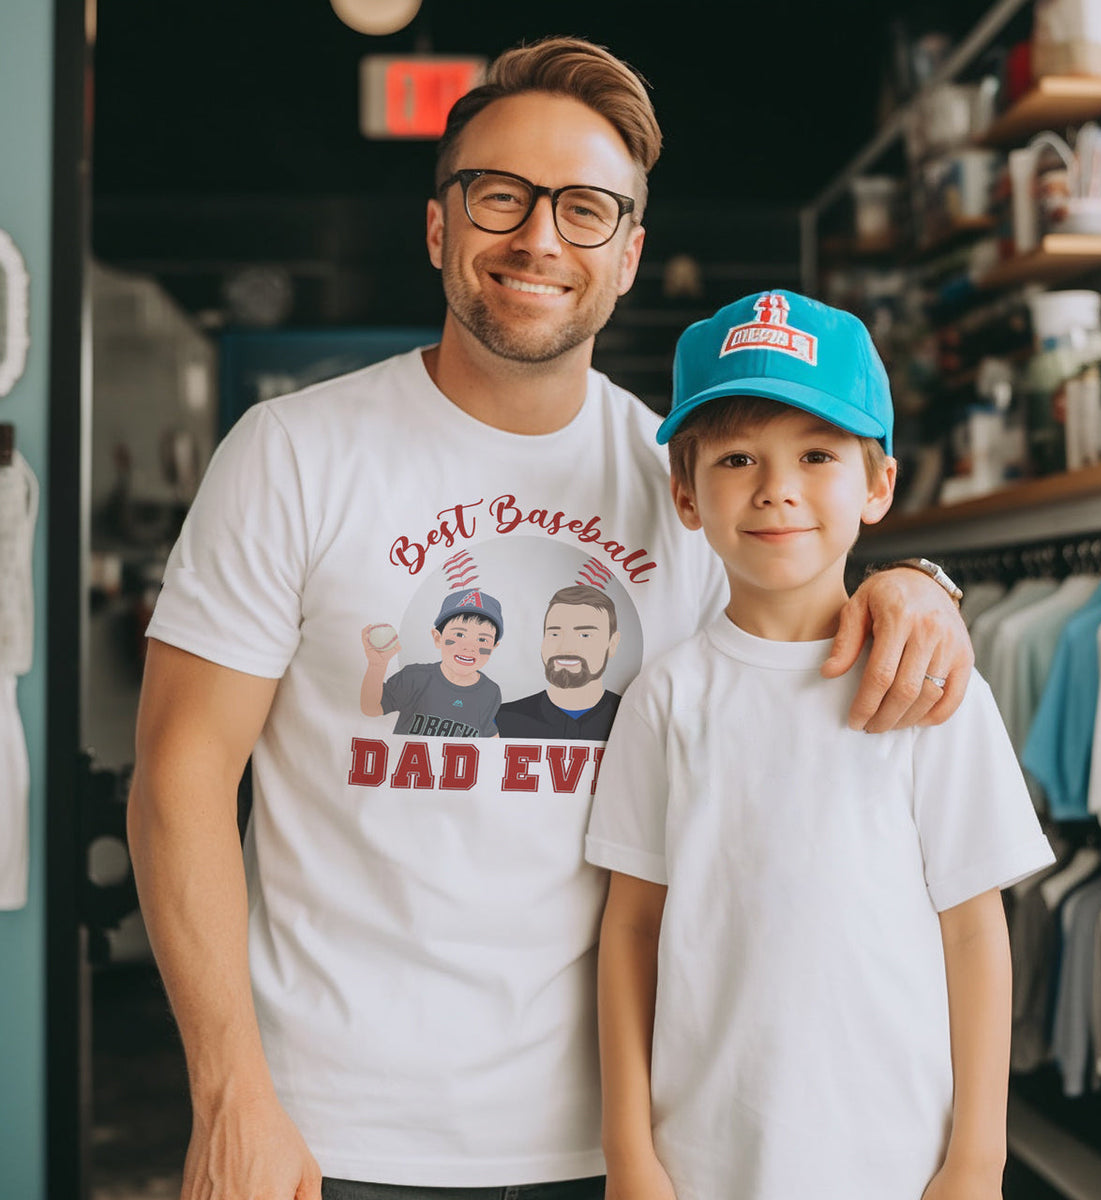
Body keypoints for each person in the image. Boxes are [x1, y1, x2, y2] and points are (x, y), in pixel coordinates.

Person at [126, 37, 973, 1200]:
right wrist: (229, 1095)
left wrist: (920, 583)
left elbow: (800, 614)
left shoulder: (687, 481)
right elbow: (179, 775)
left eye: (584, 210)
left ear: (628, 255)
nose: (537, 239)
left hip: (622, 1141)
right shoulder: (293, 455)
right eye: (500, 197)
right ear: (439, 227)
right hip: (329, 1133)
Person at [587, 289, 1056, 1200]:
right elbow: (632, 928)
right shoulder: (668, 697)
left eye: (816, 453)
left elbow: (974, 933)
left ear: (877, 483)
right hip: (701, 1161)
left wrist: (979, 1159)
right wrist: (629, 1153)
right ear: (686, 493)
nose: (777, 487)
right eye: (735, 457)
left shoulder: (932, 689)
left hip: (897, 1162)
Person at [360, 588, 504, 738]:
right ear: (437, 638)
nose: (469, 647)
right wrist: (377, 665)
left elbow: (490, 738)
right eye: (459, 634)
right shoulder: (415, 677)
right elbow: (371, 708)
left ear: (493, 647)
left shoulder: (490, 691)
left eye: (482, 639)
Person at [496, 584, 622, 739]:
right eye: (555, 634)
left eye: (584, 635)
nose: (566, 647)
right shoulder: (502, 720)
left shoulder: (632, 718)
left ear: (612, 644)